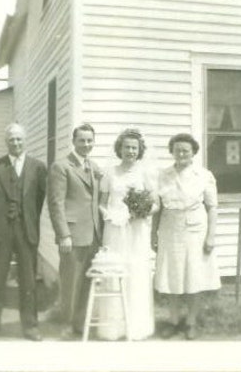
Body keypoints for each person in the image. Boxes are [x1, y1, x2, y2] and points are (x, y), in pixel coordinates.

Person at [0, 123, 47, 341]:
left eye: (19, 139)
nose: (16, 143)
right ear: (6, 142)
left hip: (26, 230)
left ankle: (30, 327)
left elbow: (38, 201)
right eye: (11, 140)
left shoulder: (38, 167)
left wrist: (27, 219)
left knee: (28, 280)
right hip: (1, 231)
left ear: (25, 140)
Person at [152, 133, 221, 340]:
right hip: (169, 229)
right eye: (177, 150)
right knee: (171, 276)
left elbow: (212, 207)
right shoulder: (162, 175)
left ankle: (191, 322)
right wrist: (152, 234)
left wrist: (211, 236)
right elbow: (158, 207)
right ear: (171, 151)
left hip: (195, 231)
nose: (181, 153)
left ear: (193, 153)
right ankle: (173, 321)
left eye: (186, 150)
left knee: (194, 276)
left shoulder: (204, 176)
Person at [96, 128, 157, 341]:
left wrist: (141, 212)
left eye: (134, 148)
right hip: (115, 229)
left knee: (136, 273)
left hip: (137, 231)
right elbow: (102, 204)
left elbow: (156, 204)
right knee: (115, 272)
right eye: (126, 147)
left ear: (139, 151)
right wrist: (112, 216)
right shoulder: (110, 173)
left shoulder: (145, 173)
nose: (130, 151)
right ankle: (114, 327)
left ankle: (137, 326)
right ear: (119, 149)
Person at [47, 123, 102, 337]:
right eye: (82, 140)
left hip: (93, 236)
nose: (86, 144)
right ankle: (66, 327)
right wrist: (64, 235)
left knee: (87, 283)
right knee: (71, 284)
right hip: (72, 236)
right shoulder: (61, 167)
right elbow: (55, 204)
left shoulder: (94, 167)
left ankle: (81, 325)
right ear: (74, 142)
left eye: (90, 140)